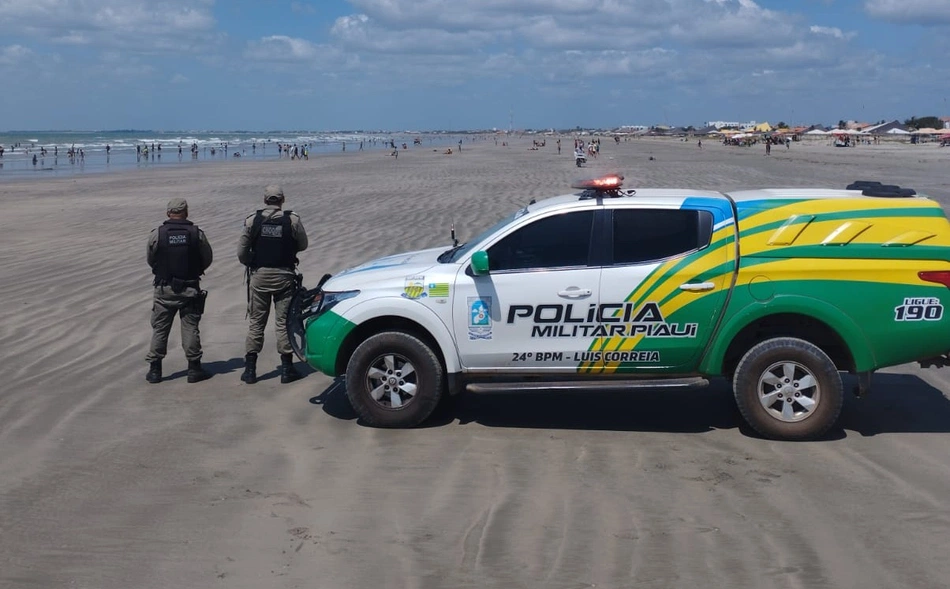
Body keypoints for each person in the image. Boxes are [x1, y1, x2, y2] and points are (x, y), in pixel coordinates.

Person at [237, 185, 309, 384]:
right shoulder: (292, 220)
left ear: (265, 199)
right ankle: (287, 369)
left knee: (256, 323)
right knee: (283, 323)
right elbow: (303, 244)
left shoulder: (253, 220)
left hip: (260, 277)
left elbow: (241, 252)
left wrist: (251, 262)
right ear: (282, 199)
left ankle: (250, 370)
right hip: (284, 276)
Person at [145, 198, 214, 383]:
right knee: (190, 328)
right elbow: (207, 258)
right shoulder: (196, 234)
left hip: (164, 289)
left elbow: (151, 259)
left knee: (160, 329)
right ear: (186, 212)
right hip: (190, 288)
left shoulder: (157, 234)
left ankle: (155, 370)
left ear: (168, 213)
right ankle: (194, 368)